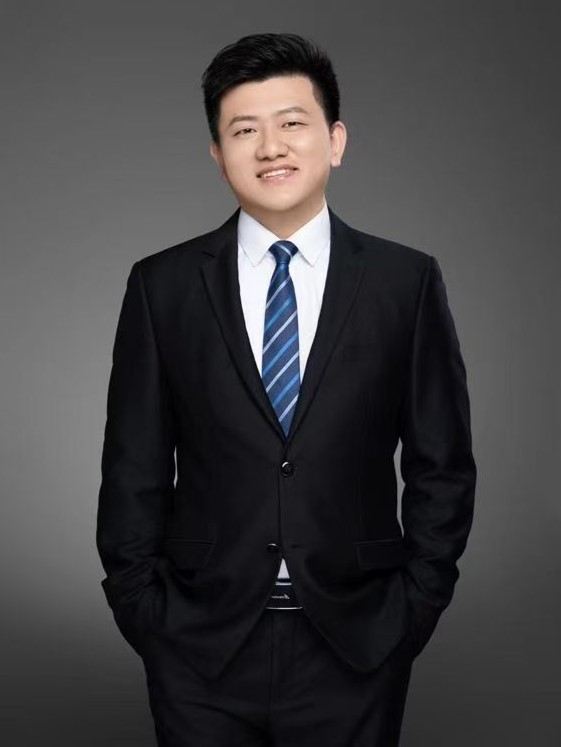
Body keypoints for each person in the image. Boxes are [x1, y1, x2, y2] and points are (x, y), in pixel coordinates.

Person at [96, 32, 476, 747]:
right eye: (244, 130)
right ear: (218, 154)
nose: (270, 147)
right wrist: (145, 611)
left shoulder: (404, 282)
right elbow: (132, 467)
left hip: (356, 641)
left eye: (292, 123)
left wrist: (412, 607)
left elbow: (442, 464)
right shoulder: (162, 286)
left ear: (335, 140)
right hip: (200, 643)